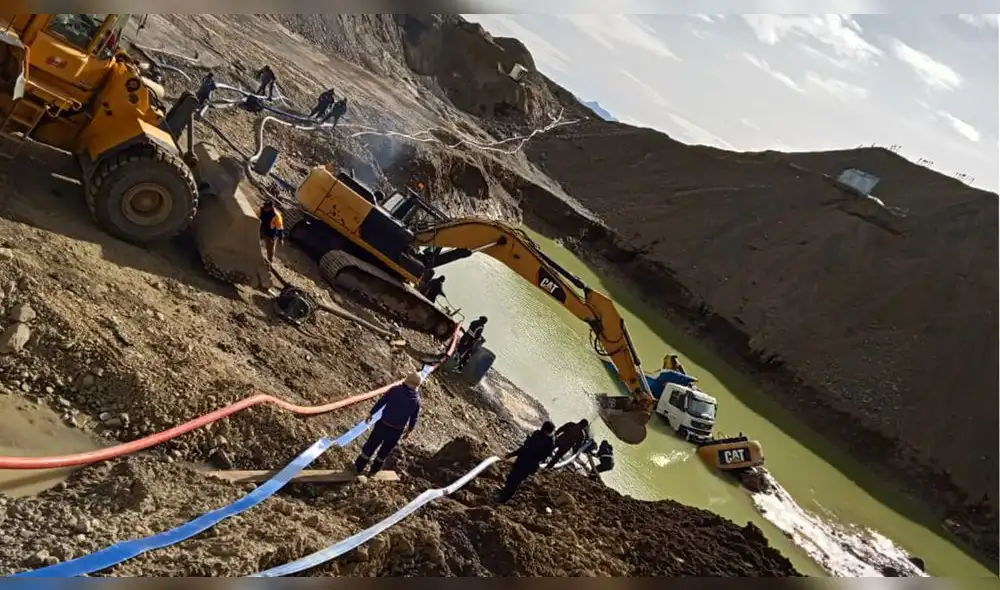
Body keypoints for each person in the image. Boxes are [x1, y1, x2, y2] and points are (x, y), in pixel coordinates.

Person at [354, 372, 423, 475]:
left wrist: (371, 413)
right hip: (396, 431)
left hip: (382, 424)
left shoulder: (395, 390)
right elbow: (414, 418)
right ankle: (373, 472)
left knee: (370, 446)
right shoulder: (416, 400)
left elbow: (382, 401)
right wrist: (409, 430)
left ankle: (358, 468)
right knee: (383, 453)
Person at [495, 421, 555, 503]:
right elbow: (525, 447)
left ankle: (503, 499)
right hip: (522, 460)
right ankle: (503, 492)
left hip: (529, 465)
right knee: (511, 477)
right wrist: (512, 454)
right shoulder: (537, 434)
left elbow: (544, 457)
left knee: (515, 481)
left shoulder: (550, 443)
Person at [258, 198, 284, 265]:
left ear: (271, 207)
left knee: (270, 250)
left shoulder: (276, 216)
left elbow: (280, 228)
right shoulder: (261, 210)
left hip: (271, 234)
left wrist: (281, 239)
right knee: (255, 239)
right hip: (262, 229)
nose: (265, 207)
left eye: (266, 206)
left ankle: (269, 263)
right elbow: (257, 217)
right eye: (264, 205)